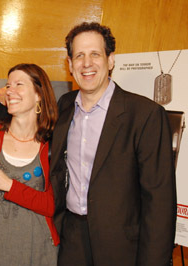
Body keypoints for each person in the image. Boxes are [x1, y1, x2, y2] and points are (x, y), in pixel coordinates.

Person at [50, 22, 176, 266]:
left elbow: (159, 203)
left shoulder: (145, 115)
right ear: (69, 64)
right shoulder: (64, 107)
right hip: (71, 241)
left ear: (111, 60)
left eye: (95, 54)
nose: (87, 63)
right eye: (79, 56)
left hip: (122, 248)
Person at [0, 63, 60, 266]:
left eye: (19, 84)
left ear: (39, 95)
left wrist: (10, 186)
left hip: (39, 250)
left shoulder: (52, 145)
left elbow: (53, 206)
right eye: (8, 85)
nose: (10, 91)